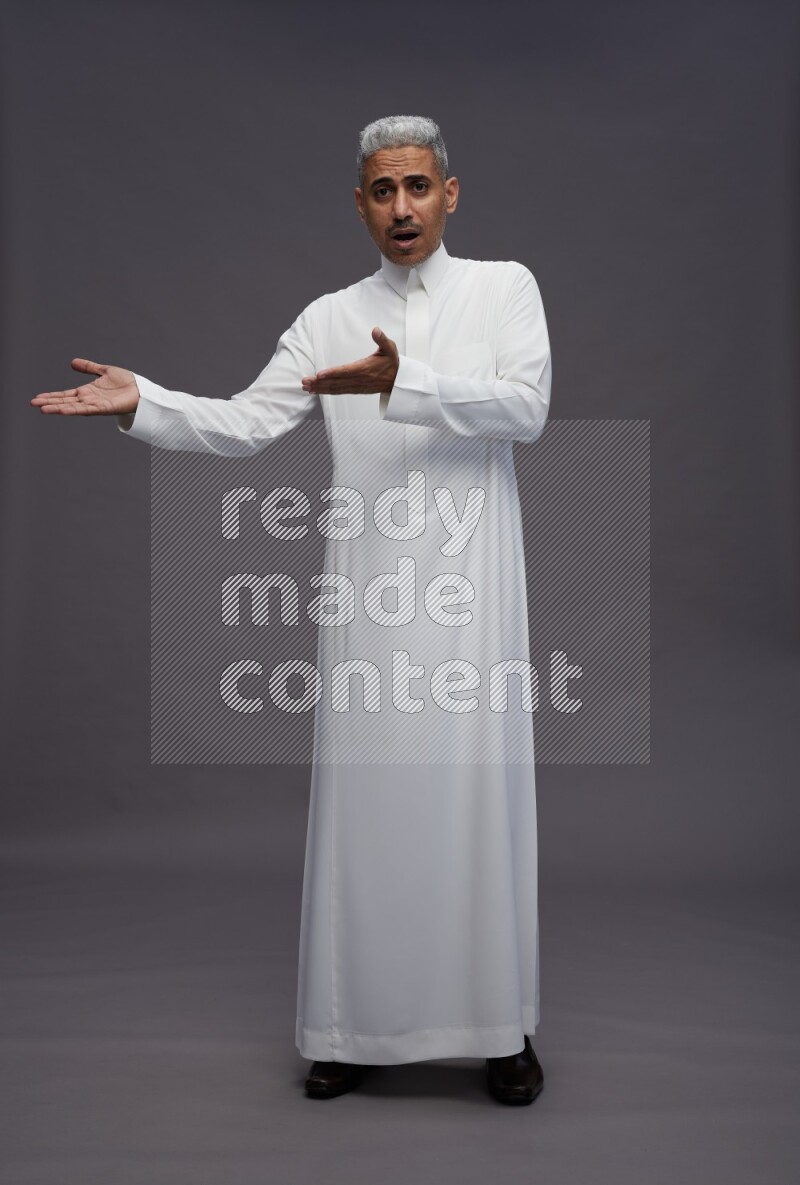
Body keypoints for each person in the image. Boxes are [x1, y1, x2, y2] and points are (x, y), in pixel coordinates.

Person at [31, 115, 552, 1106]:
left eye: (416, 187)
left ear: (449, 193)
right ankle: (350, 1030)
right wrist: (145, 401)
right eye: (380, 192)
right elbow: (245, 424)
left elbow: (524, 407)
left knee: (476, 808)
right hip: (367, 600)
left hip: (472, 599)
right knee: (367, 811)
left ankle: (498, 1030)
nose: (400, 208)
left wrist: (409, 381)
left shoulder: (504, 289)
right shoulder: (327, 316)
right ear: (359, 203)